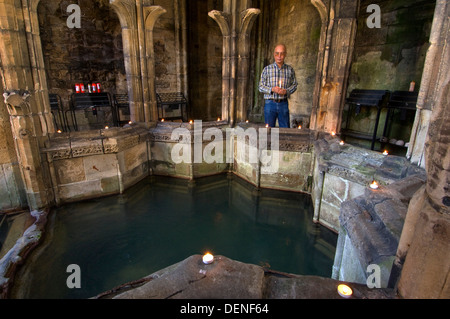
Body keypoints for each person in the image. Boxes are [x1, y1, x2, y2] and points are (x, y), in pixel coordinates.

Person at [258, 44, 298, 128]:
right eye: (277, 53)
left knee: (285, 129)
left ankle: (284, 142)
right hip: (270, 104)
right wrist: (272, 89)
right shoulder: (267, 69)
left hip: (283, 103)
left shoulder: (290, 70)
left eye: (282, 54)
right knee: (269, 130)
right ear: (274, 54)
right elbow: (260, 86)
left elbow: (294, 85)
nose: (279, 56)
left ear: (285, 54)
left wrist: (286, 91)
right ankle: (269, 141)